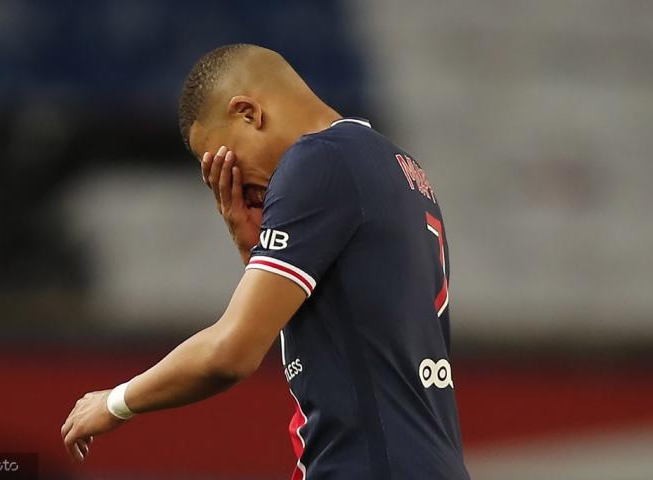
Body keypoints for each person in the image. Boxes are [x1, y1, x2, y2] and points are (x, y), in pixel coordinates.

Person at [61, 43, 470, 480]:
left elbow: (231, 352)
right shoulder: (401, 168)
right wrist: (257, 254)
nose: (231, 182)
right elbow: (352, 339)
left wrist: (116, 401)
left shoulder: (317, 159)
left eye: (224, 159)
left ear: (248, 113)